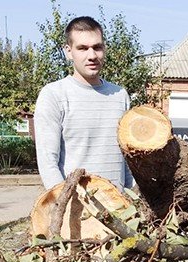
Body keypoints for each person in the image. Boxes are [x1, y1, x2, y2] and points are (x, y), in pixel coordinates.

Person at [34, 16, 133, 190]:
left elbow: (128, 158)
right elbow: (47, 162)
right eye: (82, 48)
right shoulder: (54, 95)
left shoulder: (120, 96)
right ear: (68, 51)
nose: (92, 55)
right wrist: (63, 203)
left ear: (105, 49)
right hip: (76, 209)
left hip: (120, 209)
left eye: (97, 47)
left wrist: (132, 196)